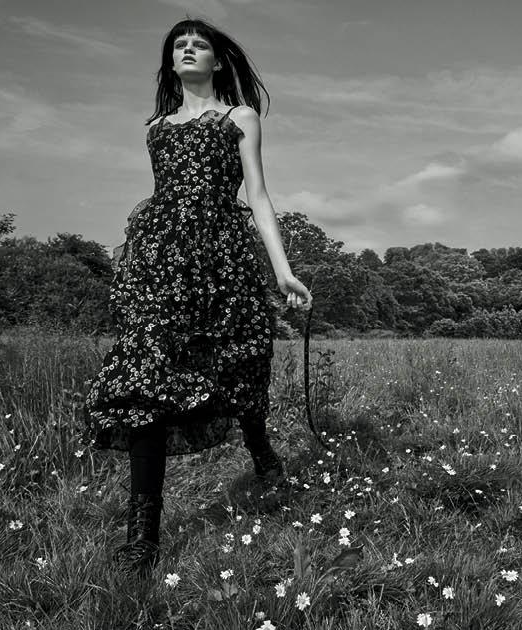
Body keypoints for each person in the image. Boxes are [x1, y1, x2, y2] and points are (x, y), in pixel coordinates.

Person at [82, 18, 312, 574]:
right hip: (160, 263)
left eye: (199, 44)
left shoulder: (240, 117)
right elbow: (166, 196)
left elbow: (258, 194)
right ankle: (143, 535)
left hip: (221, 256)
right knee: (146, 376)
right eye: (179, 46)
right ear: (170, 62)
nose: (188, 50)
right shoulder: (157, 128)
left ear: (217, 60)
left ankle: (259, 448)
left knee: (239, 360)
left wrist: (282, 271)